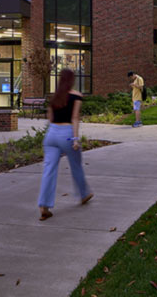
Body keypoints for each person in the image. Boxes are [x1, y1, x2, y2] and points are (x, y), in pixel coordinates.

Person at [37, 68, 93, 221]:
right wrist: (75, 139)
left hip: (51, 134)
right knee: (76, 165)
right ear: (72, 80)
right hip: (66, 133)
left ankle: (44, 206)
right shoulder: (76, 96)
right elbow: (75, 118)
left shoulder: (54, 97)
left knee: (49, 170)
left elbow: (50, 117)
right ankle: (83, 194)